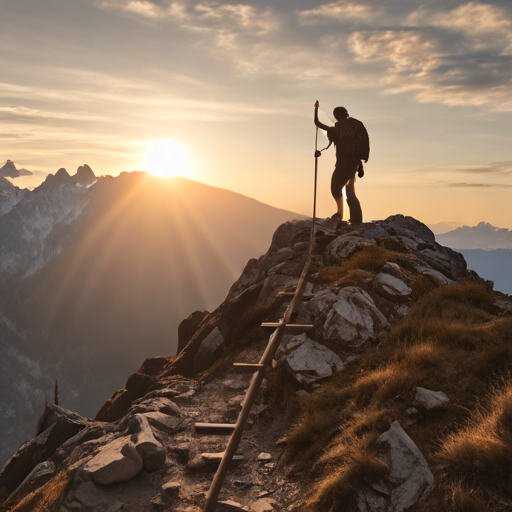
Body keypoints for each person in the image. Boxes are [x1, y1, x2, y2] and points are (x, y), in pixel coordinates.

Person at [314, 102, 369, 226]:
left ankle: (346, 216)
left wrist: (316, 109)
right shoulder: (354, 127)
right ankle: (352, 218)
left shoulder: (339, 129)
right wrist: (360, 166)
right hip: (351, 163)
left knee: (338, 188)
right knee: (347, 190)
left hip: (346, 163)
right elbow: (360, 146)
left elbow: (317, 123)